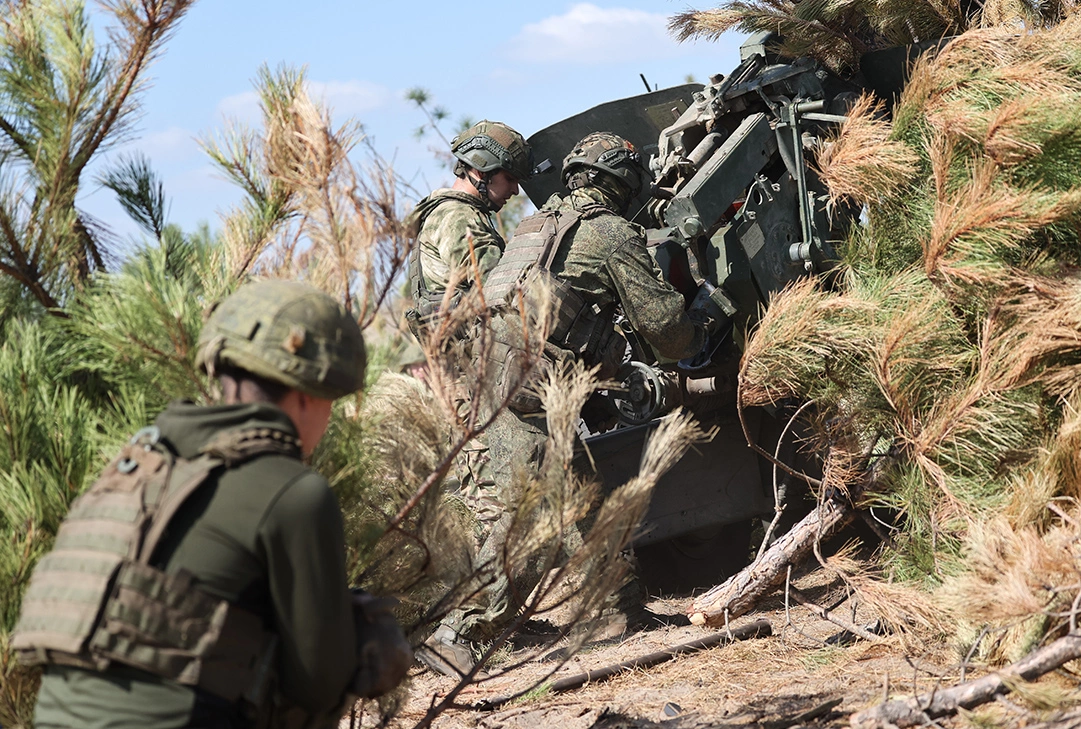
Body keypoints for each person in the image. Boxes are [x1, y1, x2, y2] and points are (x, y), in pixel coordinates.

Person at [13, 279, 408, 728]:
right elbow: (317, 685)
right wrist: (354, 631)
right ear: (308, 396)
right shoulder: (295, 492)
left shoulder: (137, 466)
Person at [419, 132, 713, 676]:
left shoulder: (535, 227)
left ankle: (616, 605)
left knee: (569, 491)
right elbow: (665, 329)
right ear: (620, 185)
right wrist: (697, 336)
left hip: (494, 369)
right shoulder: (610, 232)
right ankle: (456, 636)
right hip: (527, 383)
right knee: (523, 511)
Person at [405, 120, 533, 324]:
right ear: (482, 172)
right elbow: (499, 284)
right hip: (474, 348)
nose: (515, 190)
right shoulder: (458, 216)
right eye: (510, 179)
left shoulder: (452, 211)